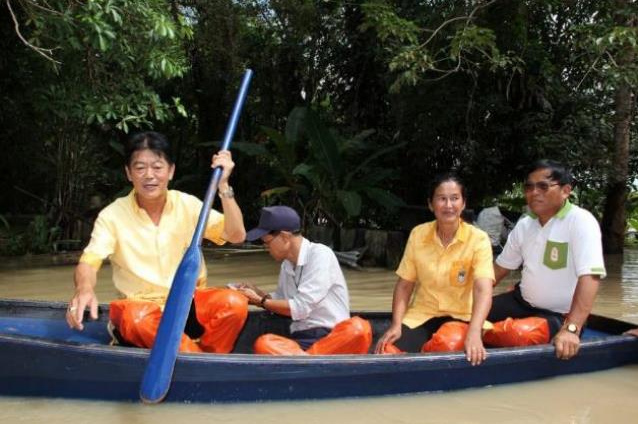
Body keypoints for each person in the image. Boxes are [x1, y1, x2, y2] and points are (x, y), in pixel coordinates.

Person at [65, 131, 248, 353]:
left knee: (235, 303)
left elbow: (236, 235)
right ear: (128, 173)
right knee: (136, 318)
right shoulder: (112, 215)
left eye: (157, 167)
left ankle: (204, 357)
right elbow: (89, 261)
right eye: (140, 168)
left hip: (187, 304)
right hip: (141, 309)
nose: (149, 175)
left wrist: (223, 186)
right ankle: (201, 359)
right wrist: (84, 289)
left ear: (170, 171)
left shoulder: (188, 206)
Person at [486, 159, 606, 360]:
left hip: (560, 315)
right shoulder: (525, 225)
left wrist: (572, 329)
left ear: (566, 190)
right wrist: (468, 300)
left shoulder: (581, 221)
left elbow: (590, 277)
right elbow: (498, 270)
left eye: (543, 186)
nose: (534, 192)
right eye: (529, 187)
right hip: (521, 301)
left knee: (518, 335)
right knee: (468, 314)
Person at [374, 173, 494, 366]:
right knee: (386, 350)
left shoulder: (478, 239)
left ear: (463, 204)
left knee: (448, 344)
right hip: (423, 315)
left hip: (461, 317)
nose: (448, 205)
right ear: (431, 204)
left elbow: (483, 289)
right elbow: (405, 285)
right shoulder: (418, 234)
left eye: (455, 198)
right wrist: (396, 324)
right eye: (442, 199)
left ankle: (425, 356)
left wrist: (474, 332)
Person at [235, 206, 372, 355]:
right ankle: (308, 358)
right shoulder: (286, 265)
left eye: (267, 242)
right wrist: (258, 295)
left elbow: (300, 307)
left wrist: (261, 301)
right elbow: (282, 300)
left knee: (358, 328)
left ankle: (306, 359)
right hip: (301, 342)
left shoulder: (320, 255)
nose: (266, 248)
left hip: (334, 337)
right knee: (264, 343)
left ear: (284, 237)